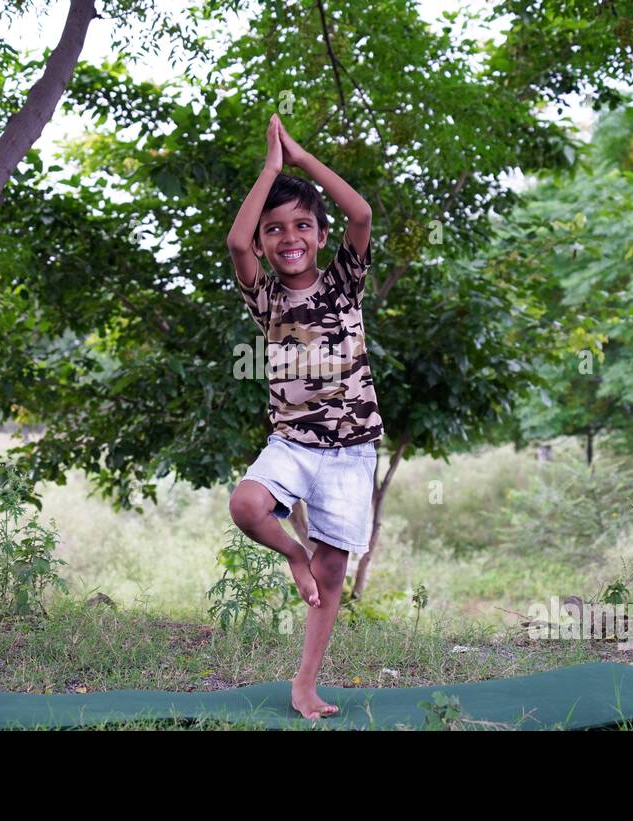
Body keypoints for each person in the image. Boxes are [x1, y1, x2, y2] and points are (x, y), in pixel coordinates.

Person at [225, 113, 383, 720]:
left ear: (318, 236)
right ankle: (294, 556)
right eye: (275, 230)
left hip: (351, 449)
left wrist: (300, 157)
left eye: (301, 226)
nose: (288, 237)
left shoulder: (346, 282)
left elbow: (361, 214)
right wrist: (270, 168)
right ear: (266, 243)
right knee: (246, 506)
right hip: (292, 442)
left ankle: (305, 684)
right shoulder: (263, 297)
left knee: (334, 567)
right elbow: (236, 244)